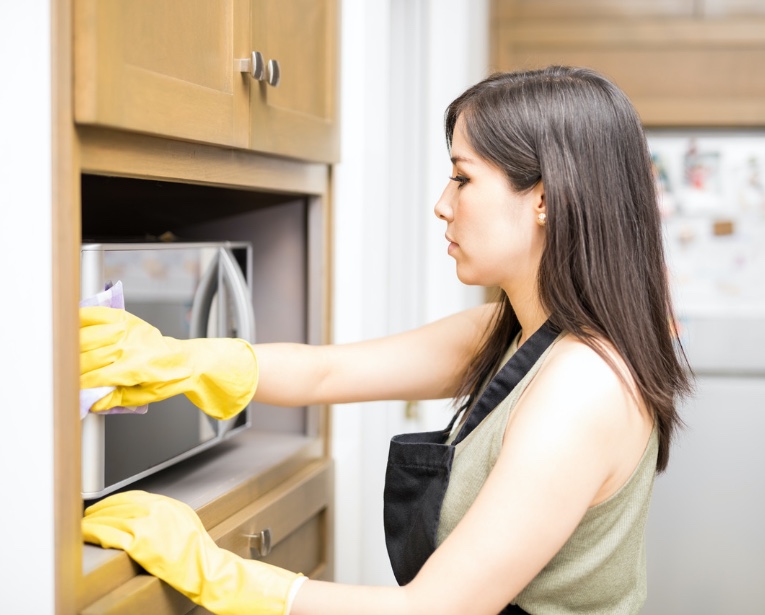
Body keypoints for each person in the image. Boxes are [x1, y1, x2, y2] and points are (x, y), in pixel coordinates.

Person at [79, 65, 692, 615]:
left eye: (462, 178)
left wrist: (216, 575)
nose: (441, 205)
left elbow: (433, 610)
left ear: (545, 200)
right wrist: (177, 361)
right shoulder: (516, 331)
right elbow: (328, 374)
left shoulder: (583, 385)